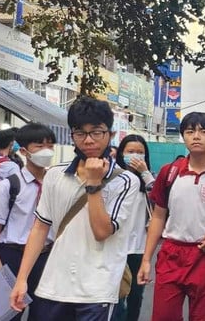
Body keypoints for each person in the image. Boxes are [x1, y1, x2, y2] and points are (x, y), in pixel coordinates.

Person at [9, 97, 144, 320]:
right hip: (53, 285)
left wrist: (94, 184)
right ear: (72, 135)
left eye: (96, 132)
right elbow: (40, 229)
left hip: (97, 290)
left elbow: (101, 232)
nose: (88, 140)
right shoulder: (55, 175)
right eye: (80, 133)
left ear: (110, 134)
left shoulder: (126, 181)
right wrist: (22, 279)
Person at [138, 112, 205, 321]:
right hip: (171, 254)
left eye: (203, 132)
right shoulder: (169, 172)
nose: (196, 136)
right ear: (183, 137)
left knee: (202, 317)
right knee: (163, 316)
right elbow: (159, 217)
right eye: (190, 132)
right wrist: (146, 259)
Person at [0, 123, 57, 321]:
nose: (46, 150)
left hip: (45, 256)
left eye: (50, 145)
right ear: (25, 150)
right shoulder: (8, 186)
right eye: (39, 145)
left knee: (43, 313)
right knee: (9, 314)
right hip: (12, 255)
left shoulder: (55, 184)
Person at [114, 134, 156, 321]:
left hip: (139, 248)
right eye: (130, 152)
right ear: (121, 153)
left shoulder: (148, 182)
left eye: (140, 152)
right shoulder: (114, 178)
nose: (135, 156)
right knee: (116, 297)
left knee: (135, 297)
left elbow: (161, 204)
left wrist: (146, 174)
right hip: (116, 247)